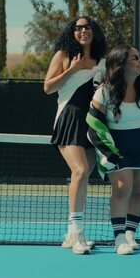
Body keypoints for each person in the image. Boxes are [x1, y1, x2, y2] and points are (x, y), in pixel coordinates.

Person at [85, 44, 140, 255]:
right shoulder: (104, 91)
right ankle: (119, 237)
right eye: (134, 58)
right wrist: (109, 154)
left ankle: (130, 233)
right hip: (118, 151)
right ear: (121, 65)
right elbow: (93, 124)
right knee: (123, 188)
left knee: (139, 191)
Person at [44, 16, 107, 255]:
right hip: (69, 118)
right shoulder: (63, 55)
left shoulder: (102, 61)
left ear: (94, 31)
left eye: (87, 27)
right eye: (78, 28)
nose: (83, 31)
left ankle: (71, 234)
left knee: (83, 176)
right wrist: (73, 70)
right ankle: (76, 231)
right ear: (72, 32)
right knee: (80, 171)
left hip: (92, 122)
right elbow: (48, 88)